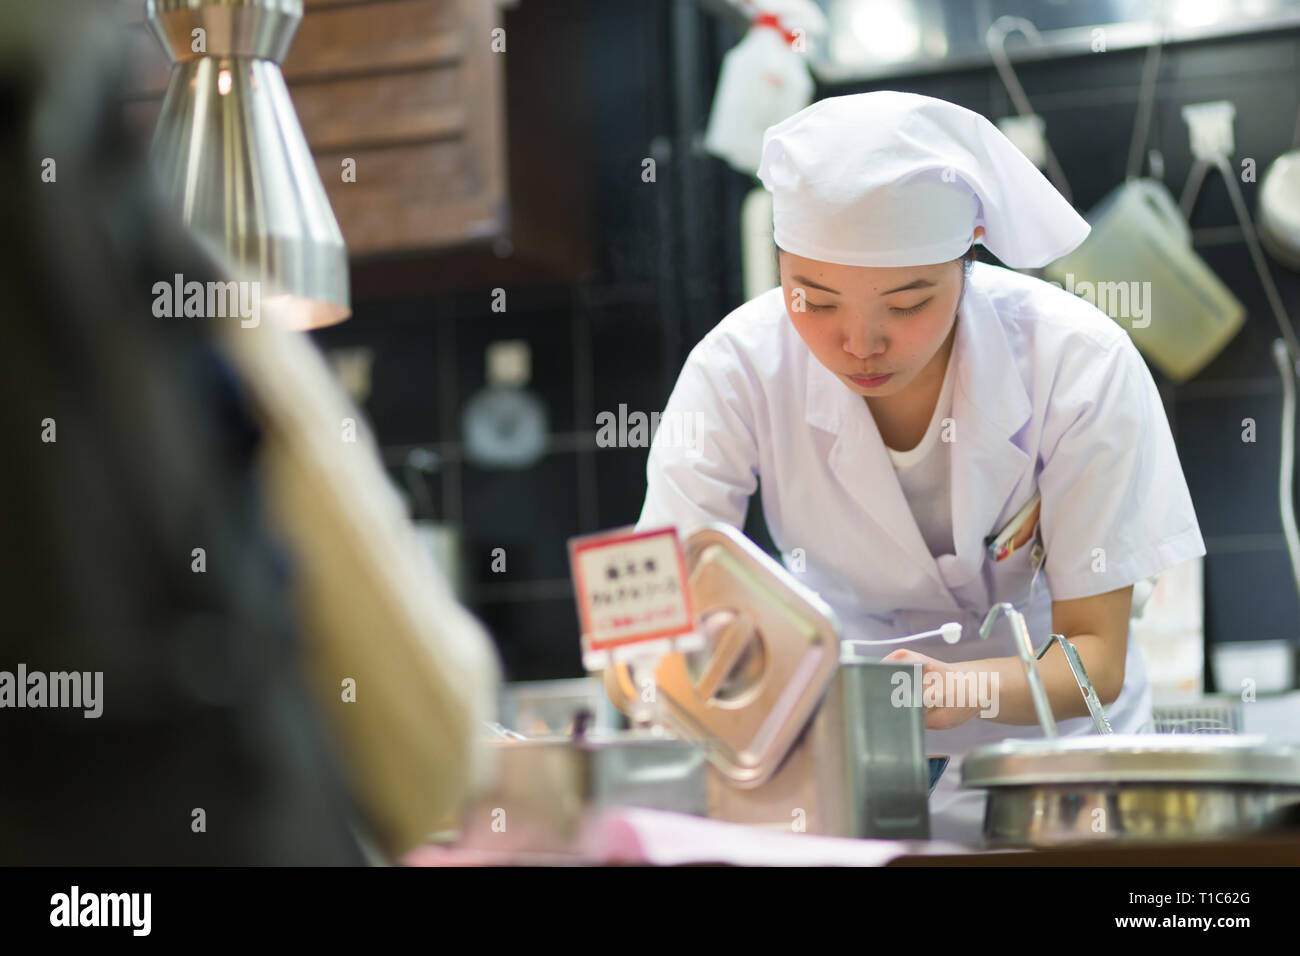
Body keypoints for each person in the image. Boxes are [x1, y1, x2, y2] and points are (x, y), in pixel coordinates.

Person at [634, 91, 1206, 843]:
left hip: (1052, 773)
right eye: (816, 299)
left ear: (966, 258)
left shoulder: (1075, 364)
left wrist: (960, 687)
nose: (860, 343)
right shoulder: (737, 369)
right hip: (836, 762)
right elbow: (657, 605)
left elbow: (1095, 661)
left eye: (906, 304)